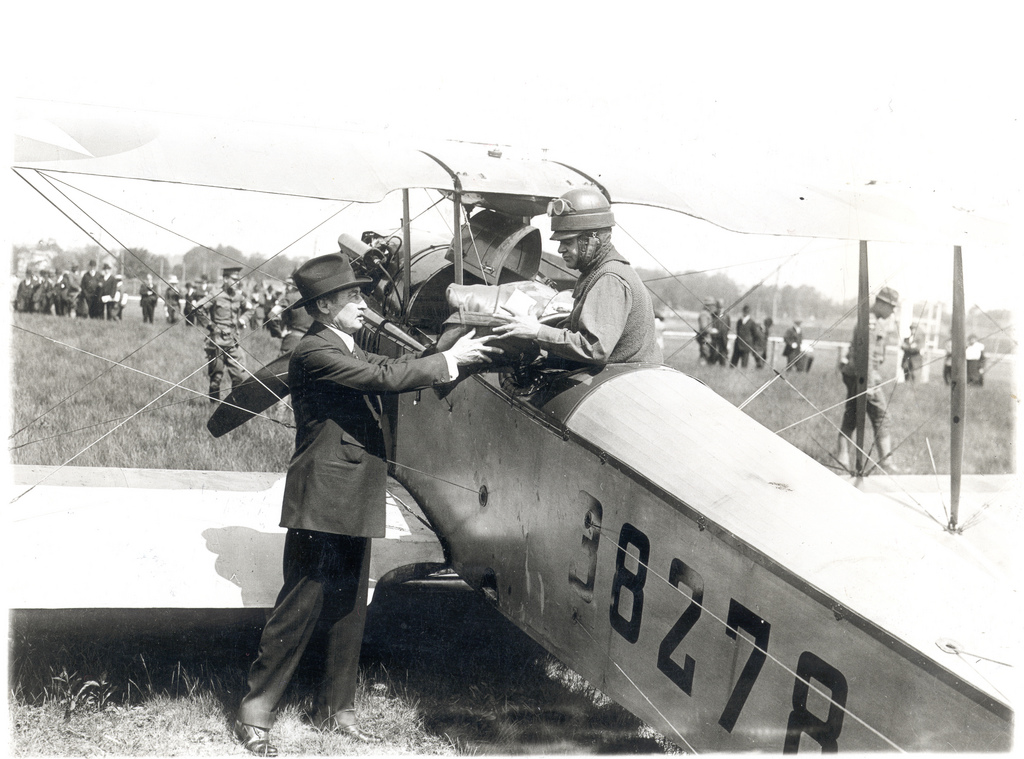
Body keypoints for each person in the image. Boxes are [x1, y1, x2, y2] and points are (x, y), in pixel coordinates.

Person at [233, 253, 497, 755]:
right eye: (353, 295)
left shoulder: (347, 345)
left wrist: (450, 349)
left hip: (353, 490)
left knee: (350, 605)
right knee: (300, 605)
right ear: (325, 305)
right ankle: (257, 711)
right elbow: (384, 379)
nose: (363, 302)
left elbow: (392, 366)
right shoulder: (313, 352)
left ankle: (336, 709)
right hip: (324, 495)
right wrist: (453, 359)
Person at [491, 188, 661, 366]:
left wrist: (537, 331)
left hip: (622, 384)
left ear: (592, 240)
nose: (560, 249)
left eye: (568, 241)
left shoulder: (609, 278)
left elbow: (595, 349)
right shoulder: (598, 272)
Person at [837, 287, 899, 474]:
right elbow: (867, 356)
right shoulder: (871, 323)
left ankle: (842, 459)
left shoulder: (869, 320)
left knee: (852, 416)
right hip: (864, 377)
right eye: (891, 307)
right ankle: (886, 463)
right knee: (882, 416)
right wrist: (869, 385)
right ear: (881, 303)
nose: (892, 311)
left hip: (856, 374)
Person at [199, 266, 250, 403]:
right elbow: (198, 308)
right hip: (216, 341)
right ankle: (214, 406)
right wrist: (211, 326)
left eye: (238, 279)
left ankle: (234, 406)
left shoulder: (239, 296)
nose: (237, 282)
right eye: (234, 279)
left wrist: (242, 320)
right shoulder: (215, 294)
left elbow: (250, 309)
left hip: (233, 341)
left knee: (240, 375)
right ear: (225, 279)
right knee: (216, 377)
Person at [730, 304, 756, 368]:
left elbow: (754, 334)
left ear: (749, 312)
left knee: (744, 364)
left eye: (747, 311)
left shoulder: (752, 322)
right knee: (733, 364)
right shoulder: (739, 321)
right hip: (738, 344)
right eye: (744, 311)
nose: (745, 313)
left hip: (746, 345)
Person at [710, 298, 730, 366]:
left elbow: (728, 327)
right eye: (718, 307)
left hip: (723, 338)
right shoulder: (713, 315)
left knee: (723, 354)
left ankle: (722, 366)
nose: (719, 309)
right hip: (715, 338)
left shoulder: (727, 316)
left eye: (721, 307)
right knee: (713, 353)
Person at [696, 297, 716, 364]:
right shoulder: (704, 314)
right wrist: (712, 330)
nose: (712, 307)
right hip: (704, 338)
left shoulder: (707, 313)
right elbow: (704, 327)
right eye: (711, 305)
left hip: (707, 338)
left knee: (705, 354)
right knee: (705, 354)